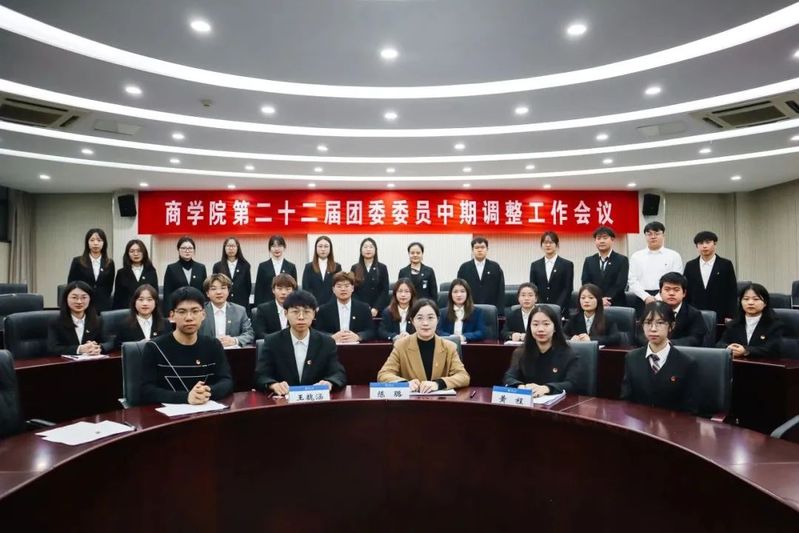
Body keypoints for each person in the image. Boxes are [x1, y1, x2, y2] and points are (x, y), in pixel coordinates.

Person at [140, 287, 233, 405]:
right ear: (172, 316)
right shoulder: (154, 347)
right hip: (168, 412)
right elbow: (146, 390)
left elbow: (226, 381)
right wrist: (186, 397)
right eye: (182, 312)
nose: (189, 318)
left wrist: (206, 391)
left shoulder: (213, 345)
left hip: (206, 410)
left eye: (195, 311)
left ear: (203, 314)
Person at [254, 290, 347, 394]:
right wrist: (273, 385)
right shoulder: (272, 341)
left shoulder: (326, 342)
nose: (301, 317)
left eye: (306, 312)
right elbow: (261, 375)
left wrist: (329, 382)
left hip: (315, 399)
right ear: (286, 313)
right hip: (283, 400)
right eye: (295, 312)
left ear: (314, 314)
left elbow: (338, 373)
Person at [377, 299, 470, 392]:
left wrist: (438, 384)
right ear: (412, 321)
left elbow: (463, 376)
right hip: (411, 400)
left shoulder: (449, 347)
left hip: (440, 400)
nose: (425, 323)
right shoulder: (401, 345)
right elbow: (383, 375)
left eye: (430, 318)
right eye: (420, 318)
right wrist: (405, 384)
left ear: (437, 320)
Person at [621, 301, 698, 413]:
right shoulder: (632, 358)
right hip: (639, 421)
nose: (653, 329)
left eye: (660, 323)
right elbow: (626, 400)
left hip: (672, 422)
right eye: (648, 323)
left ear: (671, 326)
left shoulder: (687, 363)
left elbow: (690, 409)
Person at [502, 305, 582, 396]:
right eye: (535, 324)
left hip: (559, 403)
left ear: (555, 327)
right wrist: (520, 386)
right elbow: (509, 377)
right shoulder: (521, 352)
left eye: (546, 324)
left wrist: (547, 388)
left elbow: (572, 384)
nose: (540, 329)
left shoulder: (569, 354)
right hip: (529, 400)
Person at [635, 272, 707, 347]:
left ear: (684, 293)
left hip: (681, 351)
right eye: (667, 289)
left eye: (676, 290)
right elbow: (640, 335)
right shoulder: (651, 310)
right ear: (660, 292)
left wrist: (668, 344)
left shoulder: (694, 314)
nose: (671, 293)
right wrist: (655, 343)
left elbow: (696, 339)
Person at [717, 283, 783, 358]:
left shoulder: (774, 324)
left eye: (756, 299)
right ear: (740, 302)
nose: (750, 303)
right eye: (746, 299)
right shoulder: (734, 324)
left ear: (765, 303)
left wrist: (746, 351)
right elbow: (719, 344)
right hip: (736, 363)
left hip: (762, 364)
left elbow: (773, 350)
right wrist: (728, 347)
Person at [47, 281, 113, 355]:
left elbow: (110, 342)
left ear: (90, 299)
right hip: (66, 361)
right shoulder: (56, 321)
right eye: (74, 297)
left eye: (84, 297)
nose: (79, 302)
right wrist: (80, 349)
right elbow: (53, 348)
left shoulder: (98, 320)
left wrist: (99, 348)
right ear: (66, 299)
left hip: (92, 360)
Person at [684, 231, 737, 321]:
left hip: (720, 314)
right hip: (694, 313)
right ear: (696, 246)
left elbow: (732, 291)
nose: (704, 246)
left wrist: (731, 315)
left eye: (708, 242)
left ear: (715, 244)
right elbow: (685, 291)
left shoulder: (725, 264)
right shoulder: (690, 265)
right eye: (701, 243)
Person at [628, 221, 683, 305]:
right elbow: (632, 280)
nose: (653, 237)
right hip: (641, 297)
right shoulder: (636, 256)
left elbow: (677, 278)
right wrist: (646, 297)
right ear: (645, 236)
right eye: (649, 234)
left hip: (666, 297)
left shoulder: (674, 255)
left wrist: (658, 297)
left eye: (657, 234)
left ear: (663, 235)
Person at [314, 272, 375, 342]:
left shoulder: (364, 308)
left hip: (357, 347)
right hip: (332, 346)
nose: (343, 289)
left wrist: (358, 336)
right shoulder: (324, 310)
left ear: (352, 288)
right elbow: (318, 332)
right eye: (339, 286)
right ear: (333, 289)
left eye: (346, 286)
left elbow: (371, 331)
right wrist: (331, 337)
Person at [198, 273, 254, 347]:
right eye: (213, 289)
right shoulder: (199, 311)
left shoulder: (240, 310)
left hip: (232, 351)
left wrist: (234, 340)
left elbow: (249, 334)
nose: (219, 292)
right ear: (207, 293)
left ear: (228, 291)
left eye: (223, 288)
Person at [67, 228, 115, 312]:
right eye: (92, 240)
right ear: (87, 243)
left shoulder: (109, 263)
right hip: (82, 303)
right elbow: (71, 284)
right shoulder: (78, 261)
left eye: (99, 240)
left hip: (103, 305)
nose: (95, 243)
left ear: (104, 243)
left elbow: (109, 286)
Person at [580, 226, 629, 307]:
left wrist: (607, 300)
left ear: (612, 239)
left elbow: (620, 284)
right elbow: (585, 282)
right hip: (594, 304)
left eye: (605, 238)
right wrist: (599, 300)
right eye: (598, 238)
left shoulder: (622, 260)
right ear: (595, 241)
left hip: (616, 304)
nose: (601, 241)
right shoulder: (589, 260)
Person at [456, 237, 505, 315]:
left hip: (491, 309)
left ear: (487, 249)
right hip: (469, 308)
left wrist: (500, 312)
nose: (479, 250)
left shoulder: (495, 267)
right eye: (476, 248)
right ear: (472, 250)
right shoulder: (464, 268)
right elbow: (459, 289)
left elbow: (500, 291)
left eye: (482, 247)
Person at [529, 231, 574, 316]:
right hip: (540, 309)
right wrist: (541, 306)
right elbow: (533, 288)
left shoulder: (567, 265)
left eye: (551, 242)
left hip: (561, 310)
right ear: (541, 245)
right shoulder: (535, 265)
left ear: (557, 245)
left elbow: (567, 288)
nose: (548, 245)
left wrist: (557, 307)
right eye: (545, 242)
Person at [114, 284, 167, 348]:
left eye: (149, 299)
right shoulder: (125, 325)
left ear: (156, 303)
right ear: (134, 303)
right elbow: (118, 347)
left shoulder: (166, 324)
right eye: (141, 299)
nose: (145, 303)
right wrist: (137, 345)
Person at [112, 239, 159, 310]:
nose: (136, 254)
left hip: (146, 310)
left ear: (144, 252)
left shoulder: (151, 271)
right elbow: (117, 298)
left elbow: (155, 295)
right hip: (127, 311)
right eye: (132, 251)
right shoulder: (121, 273)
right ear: (127, 254)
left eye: (139, 251)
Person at [163, 236, 207, 308]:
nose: (187, 251)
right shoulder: (171, 268)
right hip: (178, 307)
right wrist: (168, 311)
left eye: (190, 248)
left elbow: (204, 292)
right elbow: (167, 293)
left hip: (197, 307)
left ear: (194, 250)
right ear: (178, 249)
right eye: (183, 248)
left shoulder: (201, 268)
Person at [254, 235, 297, 306]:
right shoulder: (263, 266)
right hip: (267, 304)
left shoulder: (291, 266)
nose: (276, 249)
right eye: (273, 246)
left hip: (287, 304)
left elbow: (294, 289)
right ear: (270, 249)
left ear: (284, 248)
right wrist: (258, 306)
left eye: (279, 246)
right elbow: (259, 289)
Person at [351, 237, 390, 317]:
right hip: (359, 309)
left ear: (375, 250)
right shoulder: (355, 268)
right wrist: (362, 306)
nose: (368, 249)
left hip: (378, 310)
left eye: (371, 247)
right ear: (361, 250)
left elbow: (385, 290)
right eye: (365, 247)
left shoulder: (382, 267)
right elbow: (352, 290)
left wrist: (376, 308)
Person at [212, 237, 252, 311]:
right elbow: (214, 286)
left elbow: (248, 287)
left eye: (233, 246)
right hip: (223, 303)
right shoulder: (217, 266)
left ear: (237, 247)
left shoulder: (245, 265)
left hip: (241, 303)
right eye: (228, 246)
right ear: (224, 248)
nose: (231, 248)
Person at [252, 273, 296, 339]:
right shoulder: (263, 309)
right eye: (279, 289)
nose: (283, 293)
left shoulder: (298, 310)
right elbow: (260, 333)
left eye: (287, 289)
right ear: (273, 290)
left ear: (293, 291)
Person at [301, 235, 341, 306]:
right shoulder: (309, 267)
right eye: (320, 246)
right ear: (316, 248)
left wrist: (331, 304)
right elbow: (306, 288)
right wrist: (313, 304)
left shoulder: (337, 267)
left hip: (332, 305)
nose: (323, 249)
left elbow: (338, 287)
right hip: (313, 306)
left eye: (326, 246)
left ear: (330, 248)